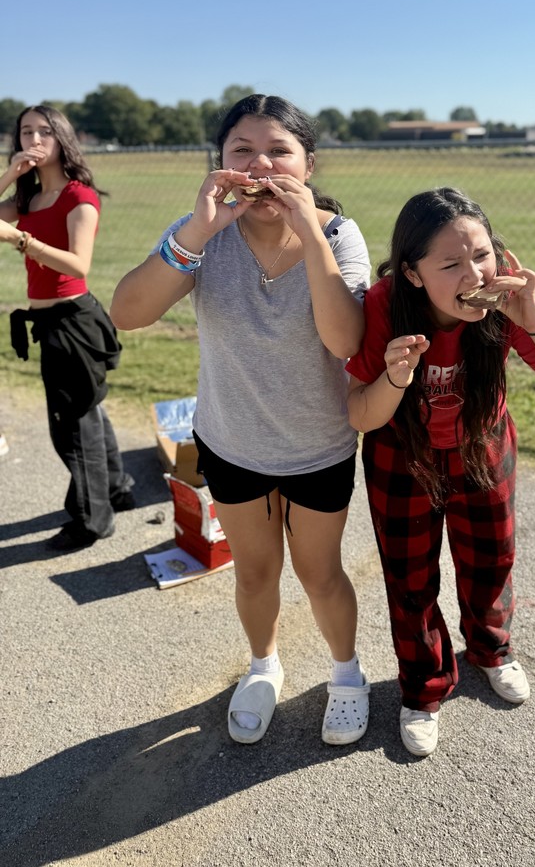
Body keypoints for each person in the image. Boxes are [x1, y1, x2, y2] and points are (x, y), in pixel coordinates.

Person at [110, 94, 372, 747]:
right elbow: (127, 312)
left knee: (320, 574)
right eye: (242, 152)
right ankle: (263, 667)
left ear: (308, 164)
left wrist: (310, 232)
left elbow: (345, 341)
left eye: (279, 151)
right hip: (231, 443)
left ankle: (347, 673)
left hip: (319, 447)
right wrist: (198, 230)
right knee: (255, 574)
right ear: (221, 165)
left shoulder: (339, 236)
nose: (262, 165)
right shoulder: (202, 236)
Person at [346, 187, 535, 756]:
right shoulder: (385, 303)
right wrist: (394, 376)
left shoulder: (508, 298)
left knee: (492, 557)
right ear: (413, 274)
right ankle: (423, 686)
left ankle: (491, 649)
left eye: (482, 254)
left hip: (482, 446)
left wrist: (534, 321)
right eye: (452, 263)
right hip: (401, 453)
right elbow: (360, 414)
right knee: (410, 579)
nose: (475, 272)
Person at [0, 105, 135, 552]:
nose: (34, 140)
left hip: (73, 322)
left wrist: (21, 239)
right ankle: (116, 489)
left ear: (62, 139)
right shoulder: (29, 198)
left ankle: (91, 521)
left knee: (72, 428)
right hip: (48, 321)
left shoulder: (79, 197)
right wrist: (8, 176)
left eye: (44, 131)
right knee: (88, 411)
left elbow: (79, 264)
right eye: (25, 132)